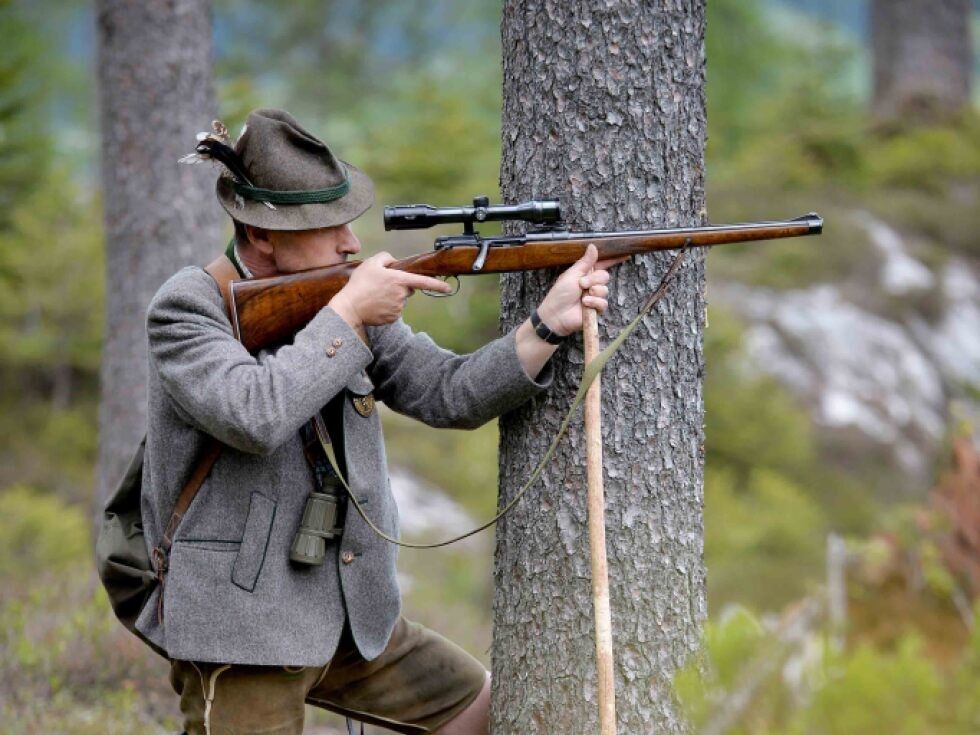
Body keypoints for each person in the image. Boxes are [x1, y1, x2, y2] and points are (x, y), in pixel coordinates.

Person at [139, 108, 618, 735]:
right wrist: (347, 315)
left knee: (496, 708)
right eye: (328, 227)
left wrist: (546, 326)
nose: (352, 243)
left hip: (351, 616)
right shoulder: (187, 307)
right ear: (261, 237)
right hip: (242, 628)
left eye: (349, 221)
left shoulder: (340, 299)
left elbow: (449, 393)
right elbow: (252, 414)